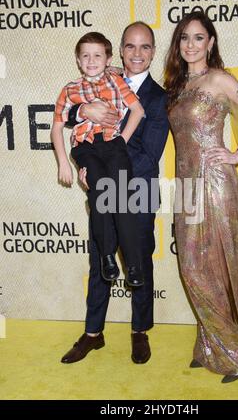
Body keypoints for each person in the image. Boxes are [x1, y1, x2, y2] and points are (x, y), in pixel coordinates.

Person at [164, 11, 238, 383]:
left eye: (198, 38)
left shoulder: (219, 80)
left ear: (210, 43)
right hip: (186, 186)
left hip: (214, 182)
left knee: (214, 267)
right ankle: (211, 346)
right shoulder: (178, 85)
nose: (190, 45)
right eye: (184, 38)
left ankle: (237, 352)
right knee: (194, 267)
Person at [60, 22, 169, 364]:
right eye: (131, 46)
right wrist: (83, 119)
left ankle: (140, 331)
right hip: (105, 184)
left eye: (146, 47)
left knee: (138, 260)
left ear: (153, 51)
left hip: (136, 186)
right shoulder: (104, 79)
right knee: (100, 258)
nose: (137, 53)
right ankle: (93, 333)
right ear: (120, 50)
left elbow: (150, 154)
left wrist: (104, 172)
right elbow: (71, 116)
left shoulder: (159, 97)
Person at [51, 32, 145, 289]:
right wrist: (63, 162)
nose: (91, 61)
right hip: (86, 149)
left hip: (113, 145)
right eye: (85, 56)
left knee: (123, 200)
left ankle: (133, 264)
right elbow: (57, 128)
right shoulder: (70, 90)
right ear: (78, 61)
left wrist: (122, 140)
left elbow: (138, 110)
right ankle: (106, 257)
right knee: (101, 195)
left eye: (97, 55)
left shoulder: (116, 81)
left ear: (108, 59)